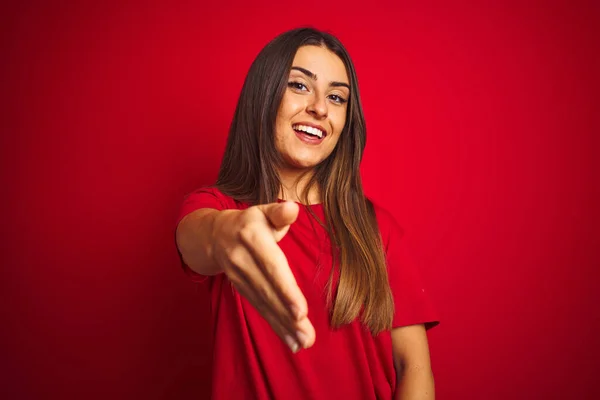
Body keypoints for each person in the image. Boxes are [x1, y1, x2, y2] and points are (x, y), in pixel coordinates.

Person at [175, 27, 439, 400]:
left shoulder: (377, 228)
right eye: (299, 85)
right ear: (264, 96)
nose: (319, 107)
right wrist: (229, 234)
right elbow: (198, 239)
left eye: (336, 97)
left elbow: (413, 366)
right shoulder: (216, 208)